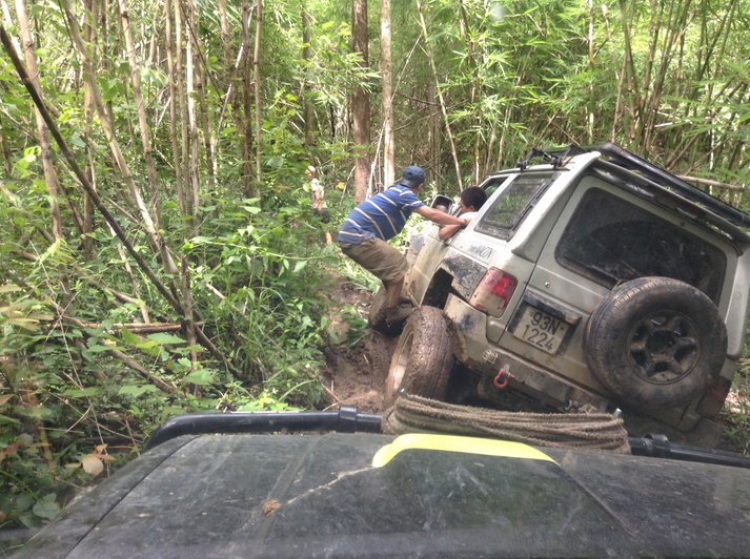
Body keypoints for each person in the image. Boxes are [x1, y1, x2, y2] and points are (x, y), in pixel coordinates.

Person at [338, 165, 470, 327]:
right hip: (358, 236)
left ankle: (393, 299)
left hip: (353, 235)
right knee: (399, 266)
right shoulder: (405, 194)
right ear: (420, 186)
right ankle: (392, 312)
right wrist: (461, 221)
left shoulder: (396, 190)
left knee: (392, 268)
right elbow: (432, 214)